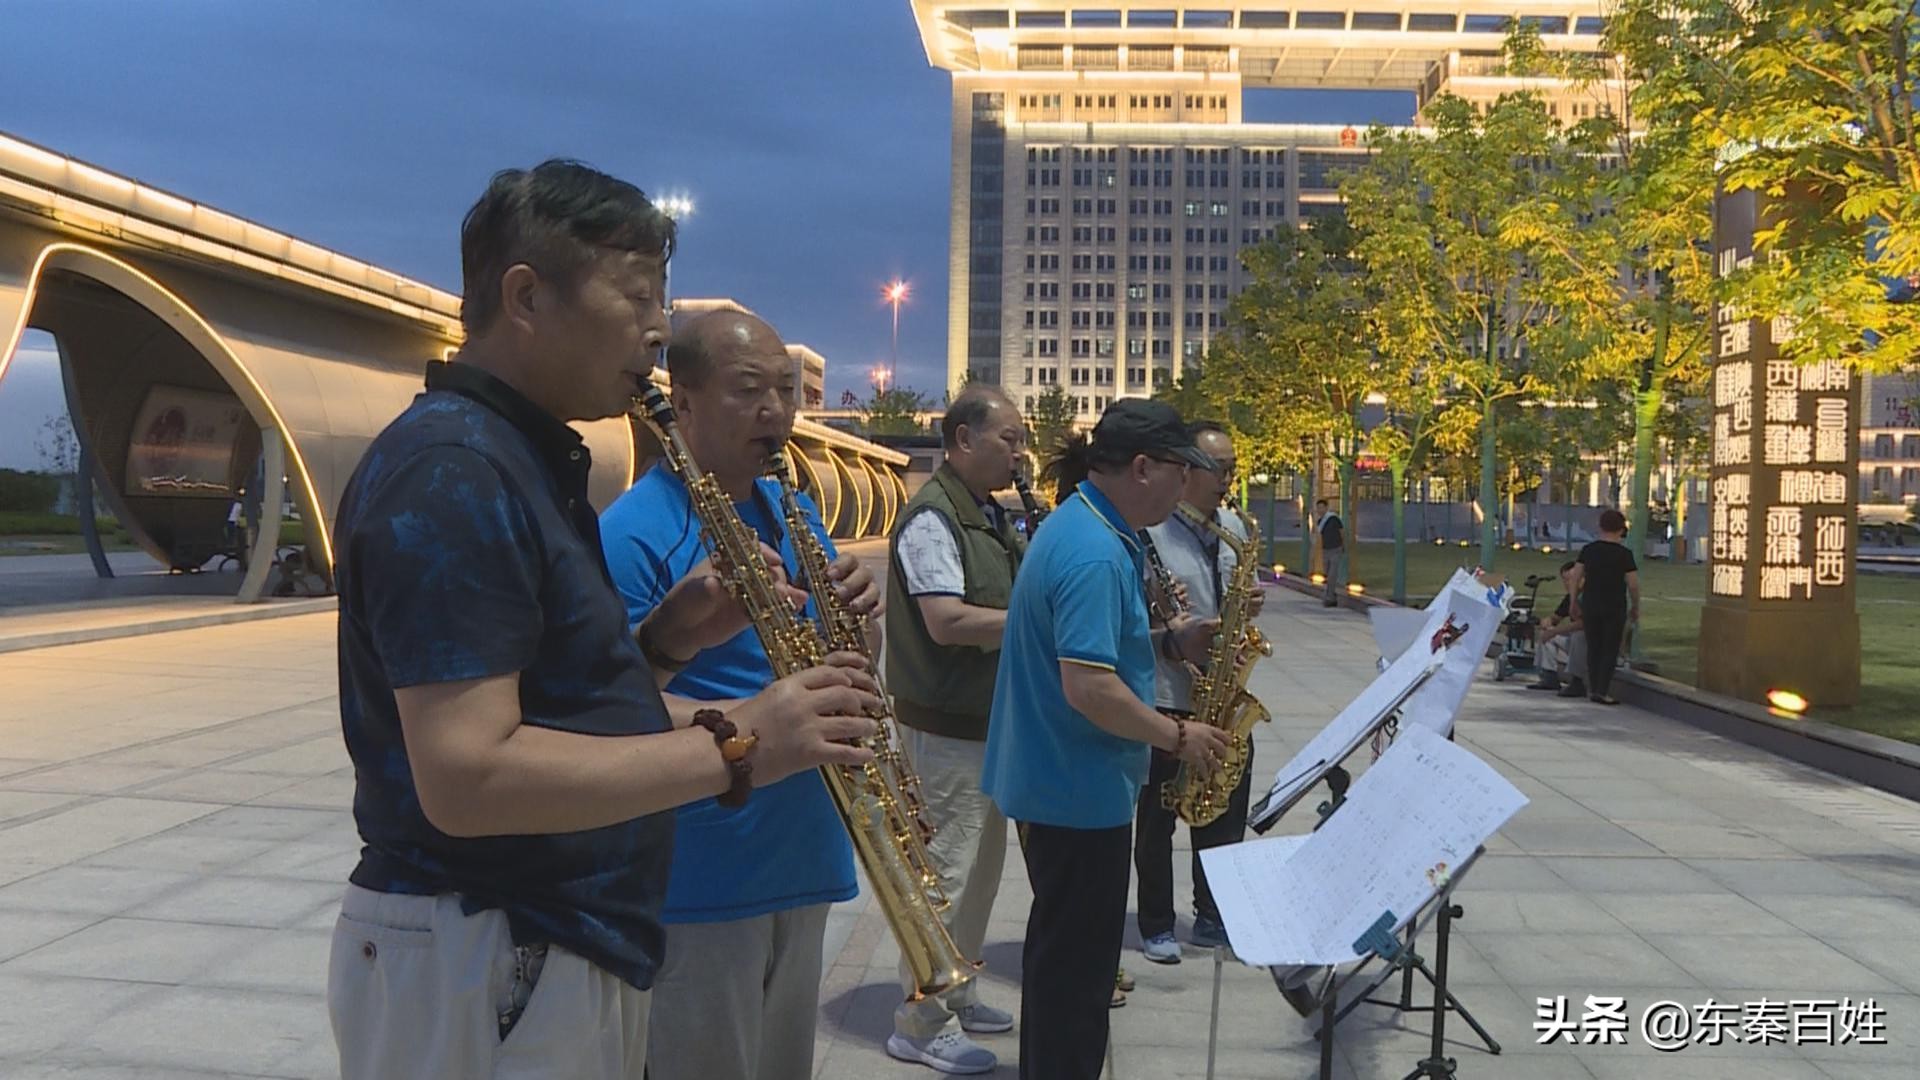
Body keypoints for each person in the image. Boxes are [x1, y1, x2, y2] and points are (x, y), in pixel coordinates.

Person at [327, 161, 881, 1080]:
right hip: (491, 951)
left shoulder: (520, 460)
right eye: (637, 297)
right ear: (527, 296)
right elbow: (467, 775)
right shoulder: (453, 472)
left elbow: (550, 712)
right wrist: (742, 741)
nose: (660, 330)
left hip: (536, 948)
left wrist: (667, 641)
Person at [600, 308, 885, 1080]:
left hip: (805, 853)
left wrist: (863, 624)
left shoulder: (794, 515)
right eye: (749, 390)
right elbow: (604, 710)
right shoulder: (633, 532)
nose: (776, 412)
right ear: (682, 401)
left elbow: (849, 669)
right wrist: (750, 729)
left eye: (785, 391)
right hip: (701, 875)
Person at [982, 398, 1232, 1080]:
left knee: (1066, 970)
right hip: (1073, 790)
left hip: (1063, 783)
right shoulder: (1095, 551)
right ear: (1144, 468)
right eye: (1183, 473)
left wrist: (1170, 643)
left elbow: (1094, 657)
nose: (1189, 490)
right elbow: (1089, 688)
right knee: (1076, 983)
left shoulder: (1088, 528)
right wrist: (1174, 734)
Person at [883, 386, 1028, 1074]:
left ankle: (956, 990)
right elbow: (947, 621)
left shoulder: (985, 513)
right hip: (945, 735)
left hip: (984, 727)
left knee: (980, 876)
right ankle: (919, 1020)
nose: (1020, 453)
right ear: (964, 440)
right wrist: (1036, 622)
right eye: (1009, 439)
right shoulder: (932, 518)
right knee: (943, 877)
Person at [1133, 421, 1264, 963]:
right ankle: (1157, 921)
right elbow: (1129, 612)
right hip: (1167, 691)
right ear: (1186, 471)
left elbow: (1236, 598)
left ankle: (1214, 915)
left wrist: (1246, 612)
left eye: (1233, 466)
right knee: (1159, 816)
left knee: (1224, 810)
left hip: (1222, 692)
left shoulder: (1234, 525)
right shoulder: (1149, 531)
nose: (1228, 477)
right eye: (1219, 467)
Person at [1568, 508, 1640, 706]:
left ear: (1600, 527)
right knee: (1610, 647)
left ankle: (1593, 687)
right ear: (1621, 529)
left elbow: (1576, 576)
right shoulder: (1625, 554)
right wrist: (1636, 605)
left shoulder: (1589, 550)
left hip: (1591, 602)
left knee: (1594, 646)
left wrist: (1573, 601)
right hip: (1614, 604)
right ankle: (1602, 690)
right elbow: (1633, 584)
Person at [1528, 561, 1588, 697]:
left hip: (1589, 642)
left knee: (1578, 636)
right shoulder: (1570, 597)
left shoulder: (1589, 596)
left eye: (1571, 579)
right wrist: (1547, 622)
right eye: (1565, 580)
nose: (1568, 584)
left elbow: (1583, 624)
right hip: (1573, 641)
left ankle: (1577, 682)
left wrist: (1555, 631)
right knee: (1546, 634)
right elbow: (1556, 618)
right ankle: (1549, 676)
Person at [1316, 498, 1346, 607]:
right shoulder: (1320, 521)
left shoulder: (1334, 519)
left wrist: (1343, 545)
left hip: (1335, 549)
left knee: (1332, 574)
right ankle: (1331, 596)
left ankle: (1329, 598)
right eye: (1318, 508)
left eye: (1321, 507)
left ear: (1326, 508)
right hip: (1326, 550)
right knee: (1327, 574)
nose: (1319, 510)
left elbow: (1341, 532)